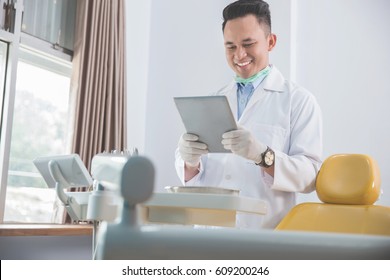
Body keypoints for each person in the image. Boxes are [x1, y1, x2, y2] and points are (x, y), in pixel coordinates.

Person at [175, 0, 322, 229]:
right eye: (230, 46)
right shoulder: (214, 99)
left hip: (263, 239)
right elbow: (194, 173)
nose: (239, 54)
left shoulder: (298, 101)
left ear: (270, 42)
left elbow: (311, 176)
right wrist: (189, 160)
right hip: (208, 236)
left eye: (248, 43)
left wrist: (264, 156)